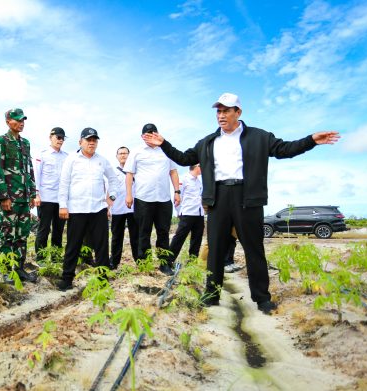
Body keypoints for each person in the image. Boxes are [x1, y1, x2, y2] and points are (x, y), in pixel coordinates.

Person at [147, 92, 340, 314]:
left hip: (248, 198)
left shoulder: (259, 137)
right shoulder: (208, 142)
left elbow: (284, 149)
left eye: (226, 110)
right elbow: (183, 158)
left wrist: (311, 141)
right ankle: (211, 295)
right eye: (218, 111)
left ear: (238, 112)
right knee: (216, 249)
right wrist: (163, 144)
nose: (221, 115)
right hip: (218, 198)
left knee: (254, 249)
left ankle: (262, 299)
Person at [57, 128, 120, 291]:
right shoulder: (71, 159)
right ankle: (67, 279)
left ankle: (103, 279)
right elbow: (64, 184)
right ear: (80, 142)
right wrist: (63, 205)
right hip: (77, 209)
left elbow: (114, 180)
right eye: (88, 140)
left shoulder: (102, 161)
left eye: (94, 140)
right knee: (73, 245)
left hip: (98, 209)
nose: (92, 143)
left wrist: (111, 197)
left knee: (102, 247)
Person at [124, 123, 180, 275]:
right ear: (142, 136)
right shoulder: (136, 152)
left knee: (163, 232)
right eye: (147, 133)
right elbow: (129, 174)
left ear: (157, 134)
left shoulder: (166, 150)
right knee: (144, 232)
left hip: (163, 199)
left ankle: (164, 263)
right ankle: (144, 264)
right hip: (143, 198)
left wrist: (177, 191)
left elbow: (173, 172)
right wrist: (129, 195)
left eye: (153, 132)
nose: (150, 135)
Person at [0, 108, 37, 282]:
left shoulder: (25, 143)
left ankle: (19, 268)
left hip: (25, 197)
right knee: (7, 235)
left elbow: (30, 168)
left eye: (23, 120)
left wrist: (33, 192)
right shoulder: (1, 141)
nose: (21, 123)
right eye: (18, 120)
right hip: (10, 197)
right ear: (8, 122)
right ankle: (5, 271)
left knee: (22, 234)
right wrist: (4, 196)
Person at [34, 127, 69, 262]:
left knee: (58, 230)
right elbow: (37, 175)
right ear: (51, 137)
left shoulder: (67, 157)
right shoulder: (42, 155)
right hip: (46, 197)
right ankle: (41, 258)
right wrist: (36, 194)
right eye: (58, 137)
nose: (60, 140)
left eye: (62, 138)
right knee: (44, 229)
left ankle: (55, 257)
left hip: (61, 200)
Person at [166, 164, 205, 267]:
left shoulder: (199, 181)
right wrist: (179, 212)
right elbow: (178, 196)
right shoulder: (184, 179)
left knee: (197, 238)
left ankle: (192, 261)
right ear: (196, 167)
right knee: (179, 237)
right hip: (187, 213)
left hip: (199, 213)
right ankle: (169, 260)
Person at [110, 146, 138, 269]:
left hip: (134, 208)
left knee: (135, 235)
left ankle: (139, 260)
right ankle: (114, 262)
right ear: (117, 156)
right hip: (117, 208)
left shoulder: (136, 170)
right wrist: (108, 207)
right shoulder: (112, 171)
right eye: (120, 153)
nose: (123, 155)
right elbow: (109, 190)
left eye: (125, 153)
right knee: (116, 236)